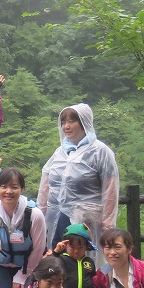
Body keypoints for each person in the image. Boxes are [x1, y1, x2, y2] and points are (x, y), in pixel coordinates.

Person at [36, 103, 119, 252]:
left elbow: (110, 189)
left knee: (85, 263)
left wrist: (108, 226)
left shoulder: (100, 151)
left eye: (71, 121)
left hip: (87, 222)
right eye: (63, 122)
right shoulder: (60, 152)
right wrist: (40, 215)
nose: (66, 126)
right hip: (57, 218)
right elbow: (46, 184)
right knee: (58, 260)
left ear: (84, 122)